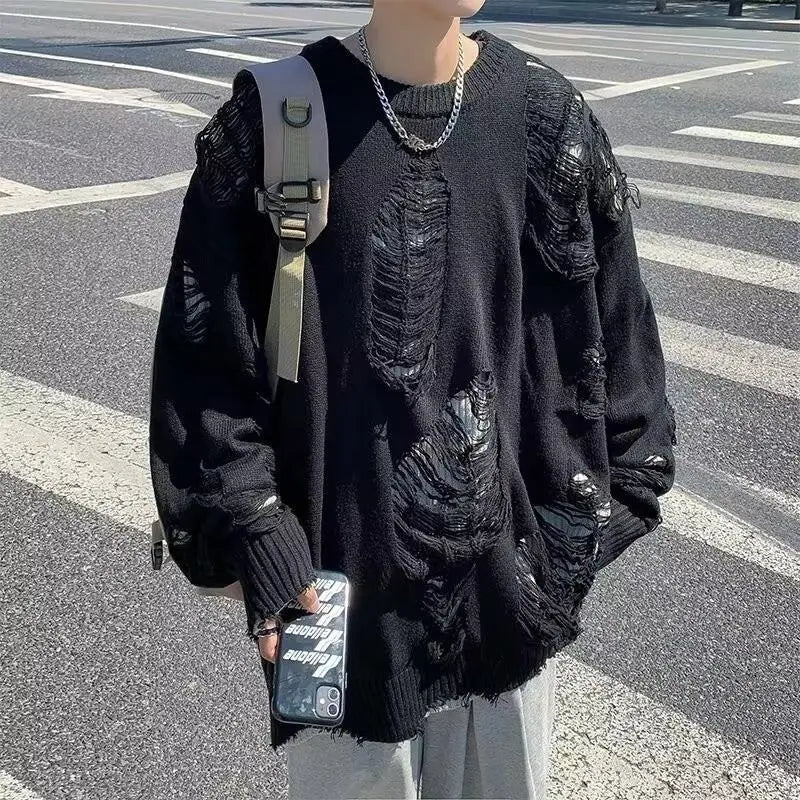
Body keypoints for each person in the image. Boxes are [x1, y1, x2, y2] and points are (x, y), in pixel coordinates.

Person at [148, 1, 677, 797]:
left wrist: (565, 549)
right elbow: (206, 365)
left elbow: (618, 351)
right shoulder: (277, 122)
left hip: (511, 629)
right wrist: (261, 534)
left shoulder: (546, 117)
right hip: (340, 631)